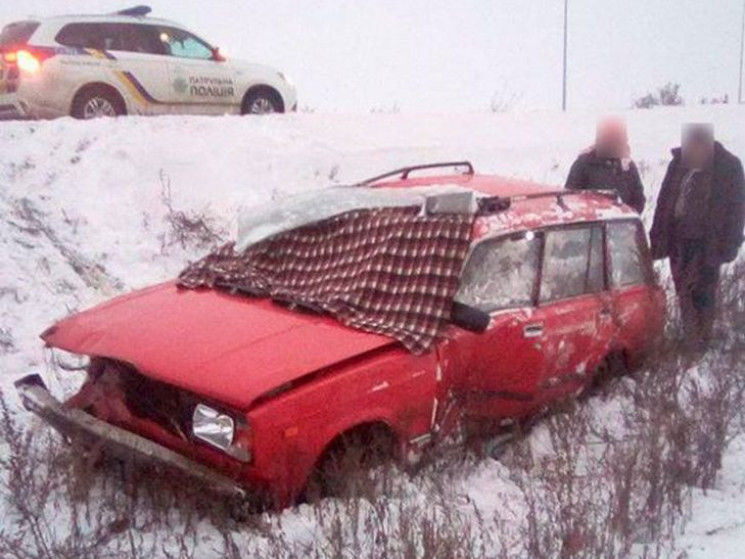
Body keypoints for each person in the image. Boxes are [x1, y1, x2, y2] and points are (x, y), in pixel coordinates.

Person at [650, 123, 745, 348]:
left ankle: (700, 341)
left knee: (703, 291)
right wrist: (658, 235)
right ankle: (690, 336)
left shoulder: (728, 166)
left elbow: (737, 209)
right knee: (683, 288)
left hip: (708, 243)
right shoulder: (678, 164)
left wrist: (730, 244)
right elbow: (664, 200)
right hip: (678, 240)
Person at [565, 117, 646, 213]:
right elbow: (569, 199)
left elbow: (639, 200)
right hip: (591, 224)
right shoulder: (584, 164)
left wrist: (625, 216)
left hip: (620, 224)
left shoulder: (628, 166)